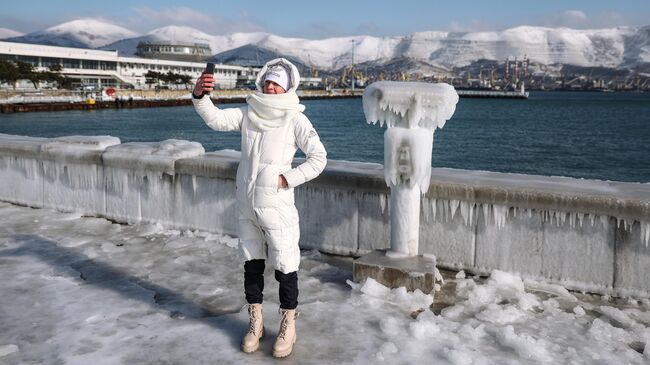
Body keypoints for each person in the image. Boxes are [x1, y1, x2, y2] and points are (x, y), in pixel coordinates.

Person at [192, 58, 327, 358]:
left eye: (277, 82)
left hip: (277, 207)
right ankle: (256, 322)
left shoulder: (295, 119)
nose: (270, 86)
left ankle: (288, 323)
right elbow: (215, 119)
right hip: (247, 205)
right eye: (267, 80)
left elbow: (318, 158)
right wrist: (201, 95)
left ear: (289, 87)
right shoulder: (249, 114)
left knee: (285, 266)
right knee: (251, 265)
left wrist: (287, 178)